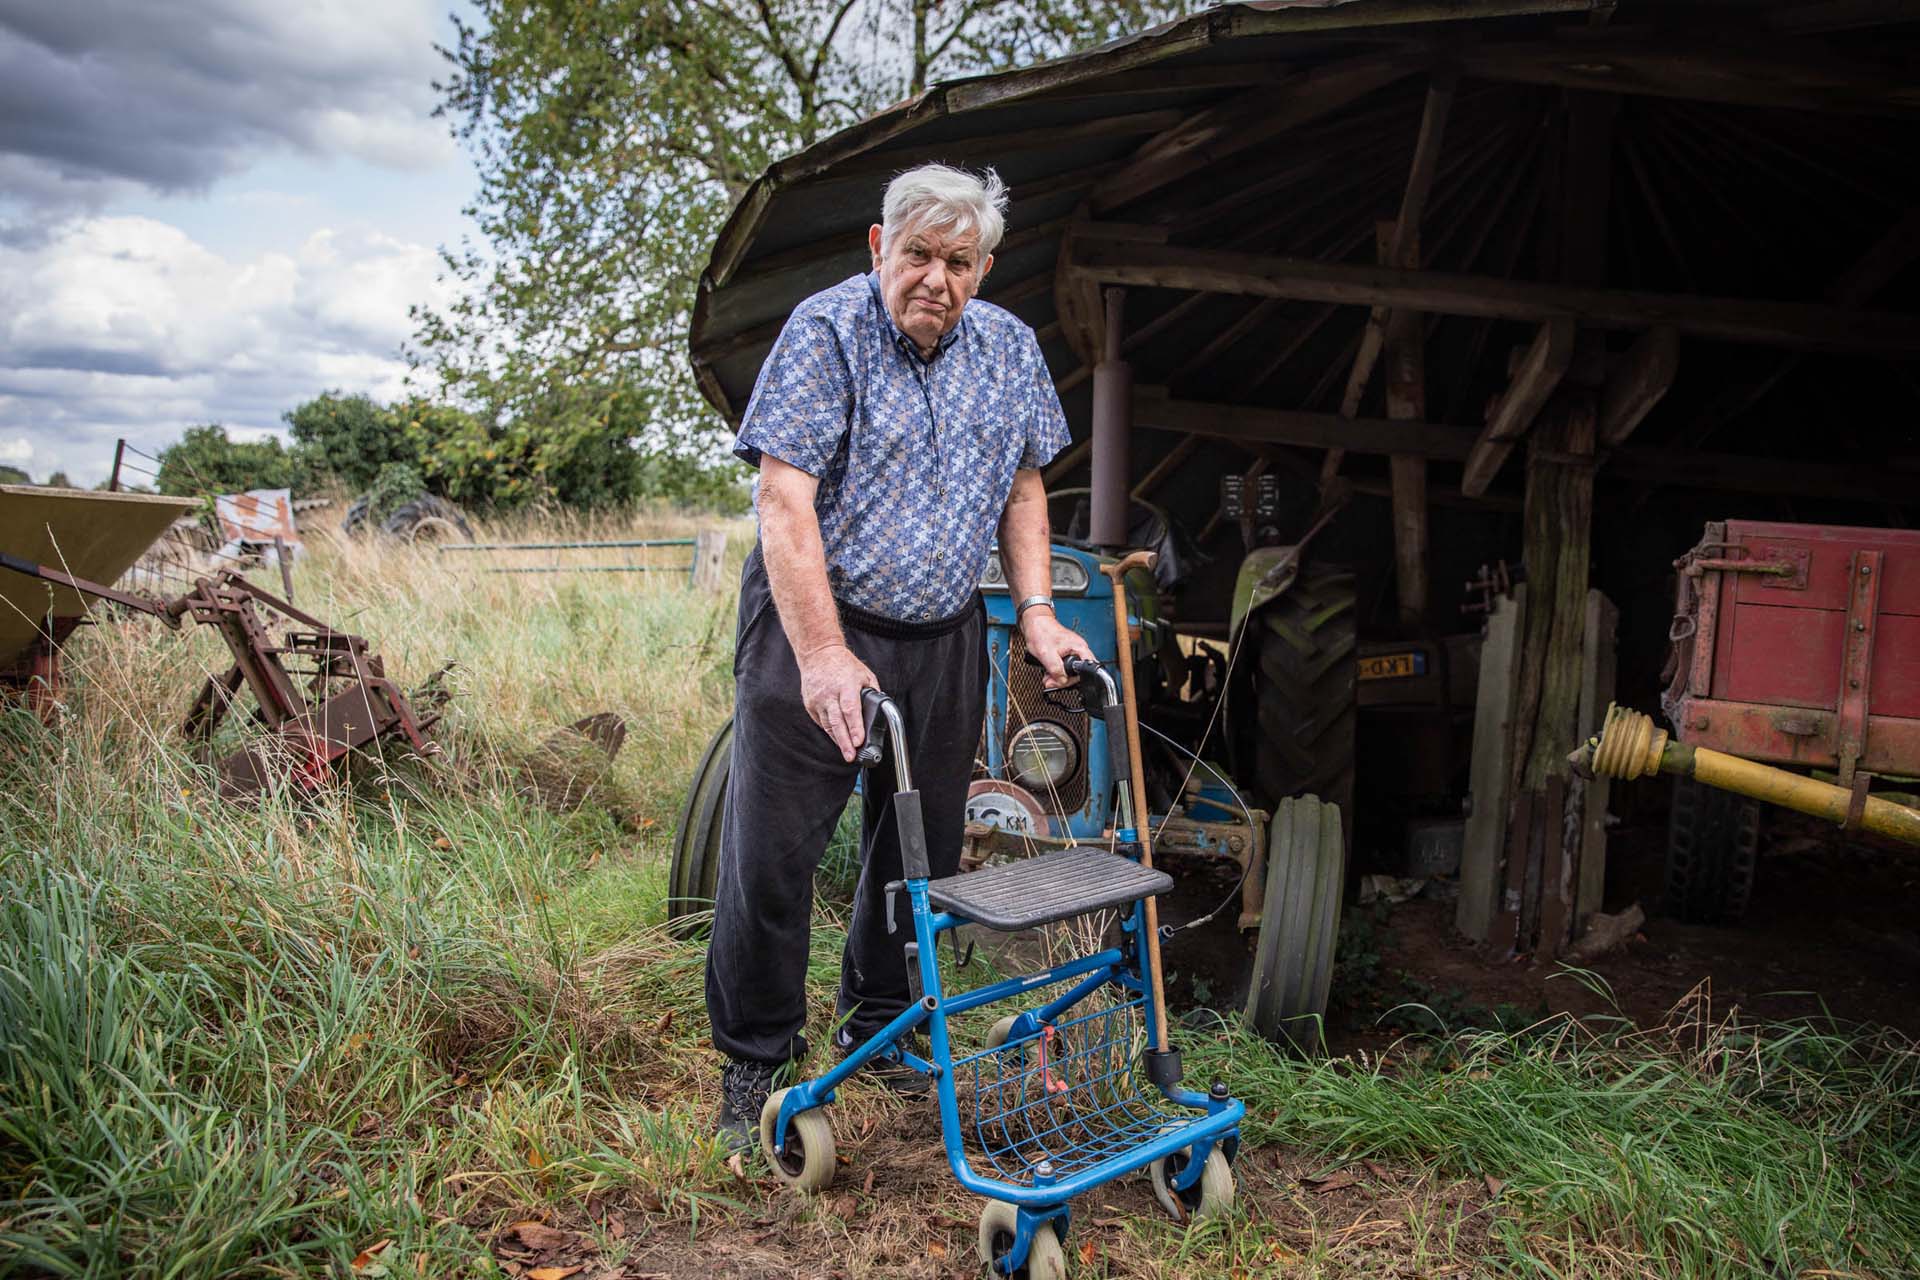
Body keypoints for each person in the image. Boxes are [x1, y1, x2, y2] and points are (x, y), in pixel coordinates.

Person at [707, 163, 1094, 1151]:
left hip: (944, 634)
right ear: (880, 247)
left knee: (910, 853)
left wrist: (1039, 613)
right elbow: (783, 501)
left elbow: (1022, 490)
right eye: (918, 253)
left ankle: (880, 1031)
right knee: (776, 850)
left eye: (959, 260)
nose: (938, 277)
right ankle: (754, 1064)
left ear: (984, 265)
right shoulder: (825, 331)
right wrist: (825, 652)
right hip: (817, 628)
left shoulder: (1009, 348)